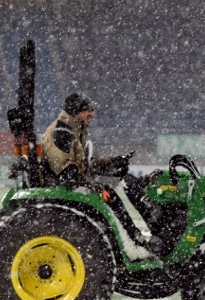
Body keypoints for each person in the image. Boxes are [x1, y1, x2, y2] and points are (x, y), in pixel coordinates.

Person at [42, 93, 163, 253]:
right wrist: (95, 186)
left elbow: (83, 166)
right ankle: (132, 244)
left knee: (125, 183)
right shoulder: (62, 132)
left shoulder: (74, 129)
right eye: (87, 110)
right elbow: (67, 170)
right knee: (109, 195)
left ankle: (137, 237)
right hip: (64, 185)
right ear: (77, 111)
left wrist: (112, 161)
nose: (91, 114)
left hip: (71, 181)